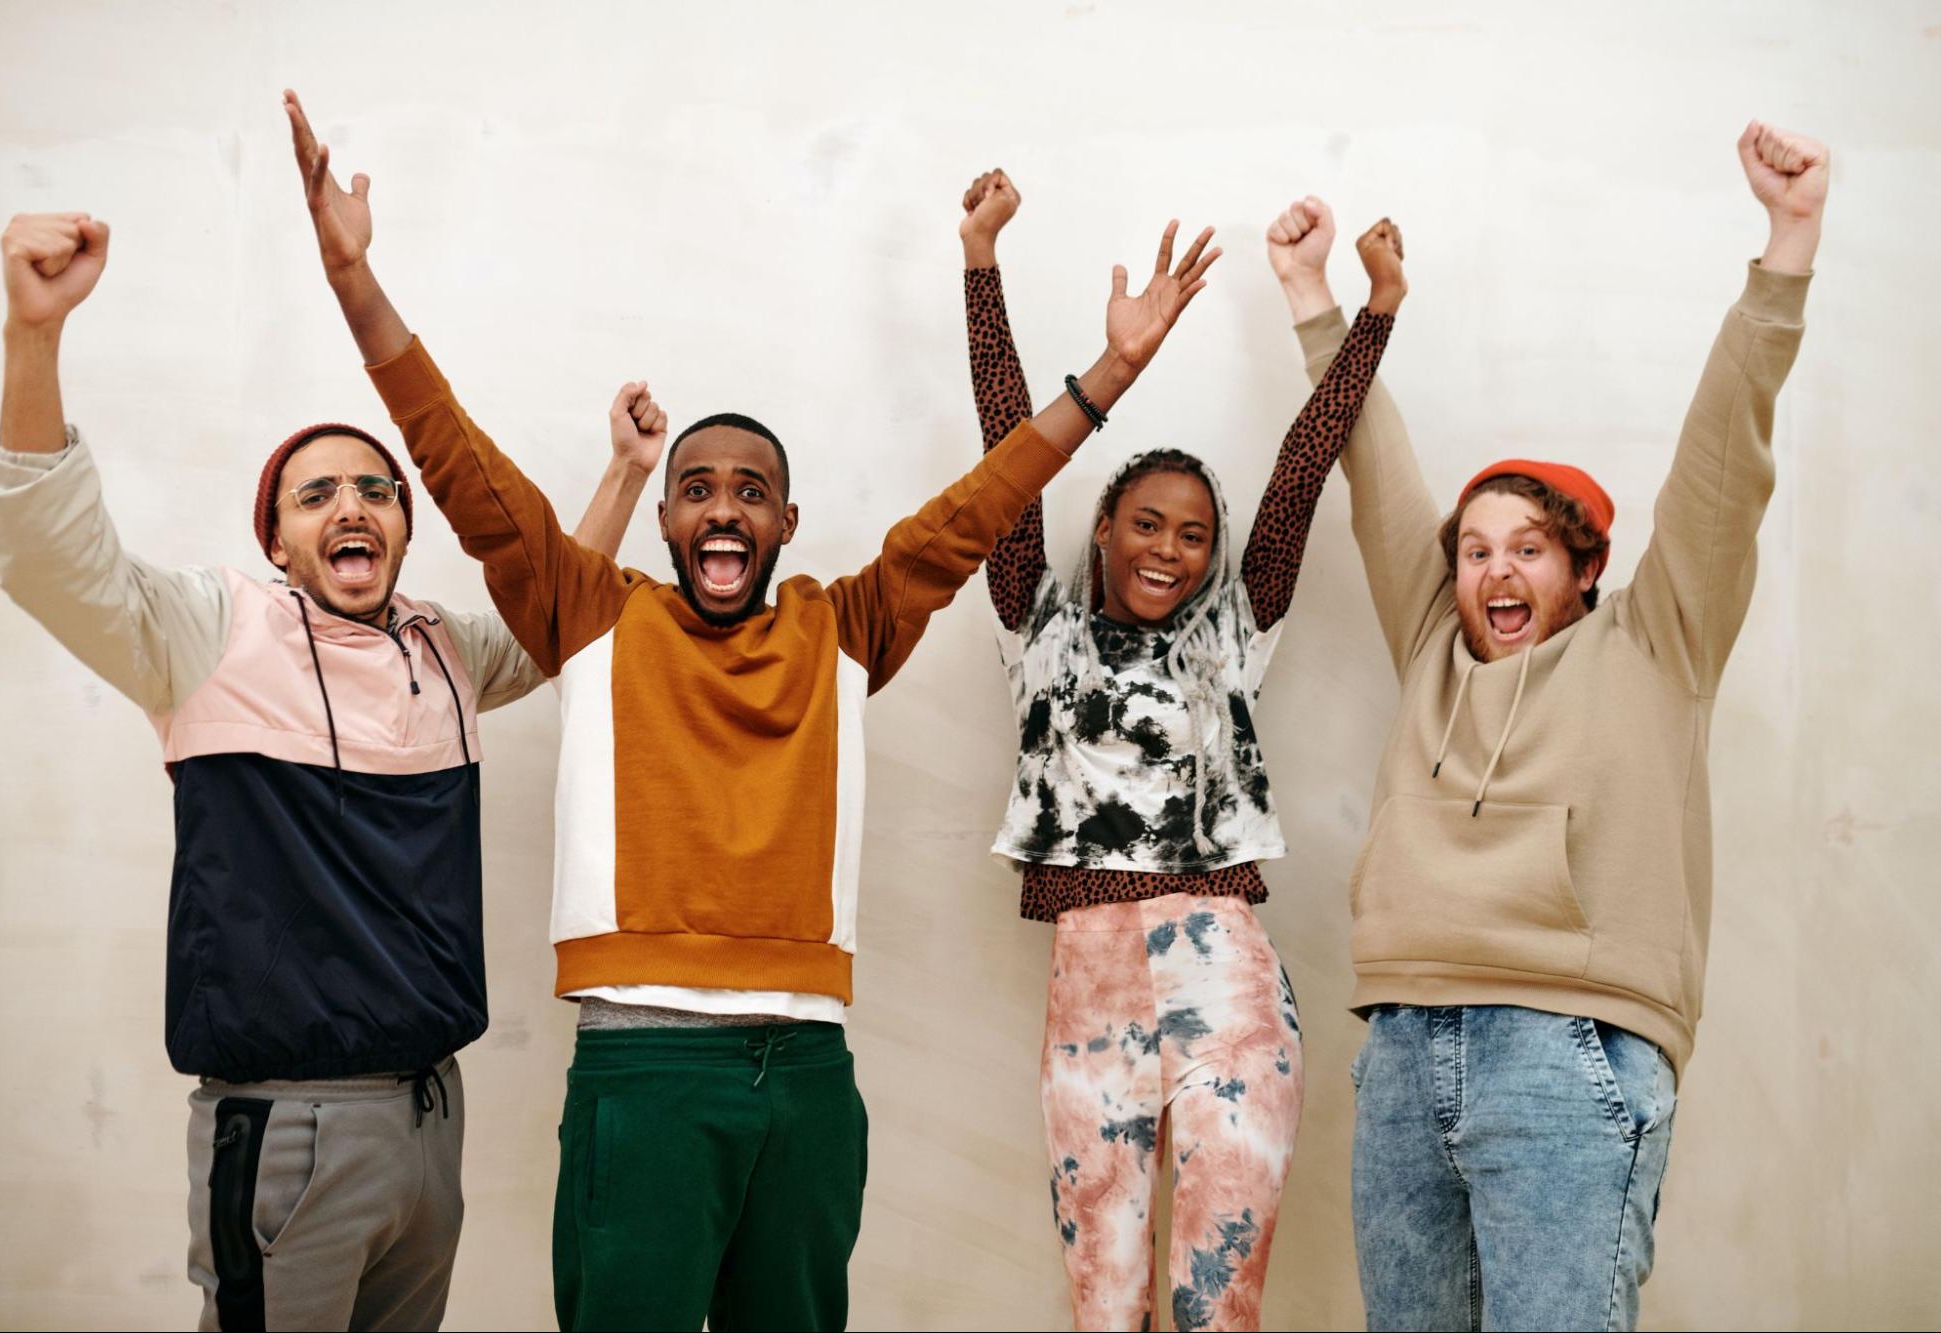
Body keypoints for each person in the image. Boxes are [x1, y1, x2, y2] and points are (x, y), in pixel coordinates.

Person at [282, 89, 1221, 1331]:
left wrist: (1111, 372)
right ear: (666, 518)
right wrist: (355, 280)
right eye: (696, 490)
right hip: (645, 1066)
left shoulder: (844, 624)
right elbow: (456, 461)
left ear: (784, 519)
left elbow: (981, 505)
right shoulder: (593, 611)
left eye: (751, 492)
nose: (722, 510)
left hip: (810, 1078)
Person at [0, 202, 658, 1329]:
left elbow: (555, 618)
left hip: (433, 1119)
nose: (352, 504)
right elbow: (52, 559)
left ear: (403, 526)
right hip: (286, 1131)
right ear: (279, 542)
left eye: (377, 489)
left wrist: (624, 475)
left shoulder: (440, 646)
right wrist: (33, 333)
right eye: (317, 494)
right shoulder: (207, 633)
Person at [1264, 121, 1826, 1330]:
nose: (1492, 571)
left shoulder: (1656, 642)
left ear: (1583, 568)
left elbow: (1725, 454)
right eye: (1471, 550)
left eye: (1525, 548)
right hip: (1406, 1049)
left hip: (1569, 1053)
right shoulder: (1432, 644)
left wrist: (1784, 244)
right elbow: (1372, 463)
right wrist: (1316, 298)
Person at [957, 169, 1405, 1331]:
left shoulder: (1235, 636)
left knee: (1220, 1305)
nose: (1169, 550)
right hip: (1089, 987)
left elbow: (1304, 467)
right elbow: (1007, 452)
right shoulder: (1038, 630)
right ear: (1101, 527)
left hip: (1229, 983)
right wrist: (979, 264)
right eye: (1146, 524)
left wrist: (1376, 313)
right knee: (1103, 1305)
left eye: (1192, 535)